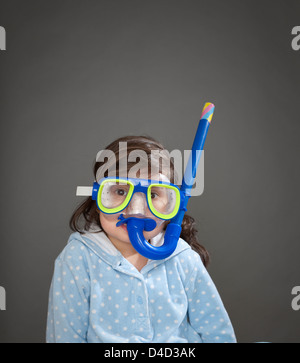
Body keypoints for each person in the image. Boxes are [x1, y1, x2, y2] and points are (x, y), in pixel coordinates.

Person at [46, 135, 236, 343]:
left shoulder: (183, 259)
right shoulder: (78, 258)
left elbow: (217, 332)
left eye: (153, 195)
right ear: (99, 195)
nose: (136, 210)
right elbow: (65, 337)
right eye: (120, 191)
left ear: (173, 206)